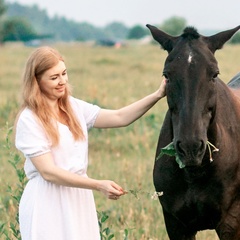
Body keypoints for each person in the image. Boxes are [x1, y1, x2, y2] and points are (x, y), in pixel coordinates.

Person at [15, 46, 166, 240]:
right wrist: (97, 184)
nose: (62, 81)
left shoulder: (74, 106)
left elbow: (120, 117)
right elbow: (48, 172)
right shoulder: (29, 119)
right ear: (36, 81)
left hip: (78, 199)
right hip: (47, 201)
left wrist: (158, 94)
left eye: (64, 73)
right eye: (54, 78)